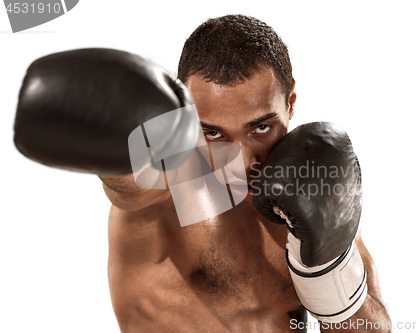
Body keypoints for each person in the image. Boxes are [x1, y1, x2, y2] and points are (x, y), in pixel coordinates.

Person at [13, 14, 391, 333]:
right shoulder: (167, 187)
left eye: (260, 128)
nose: (242, 162)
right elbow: (128, 181)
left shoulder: (310, 182)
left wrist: (327, 275)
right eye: (212, 132)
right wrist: (111, 128)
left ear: (290, 103)